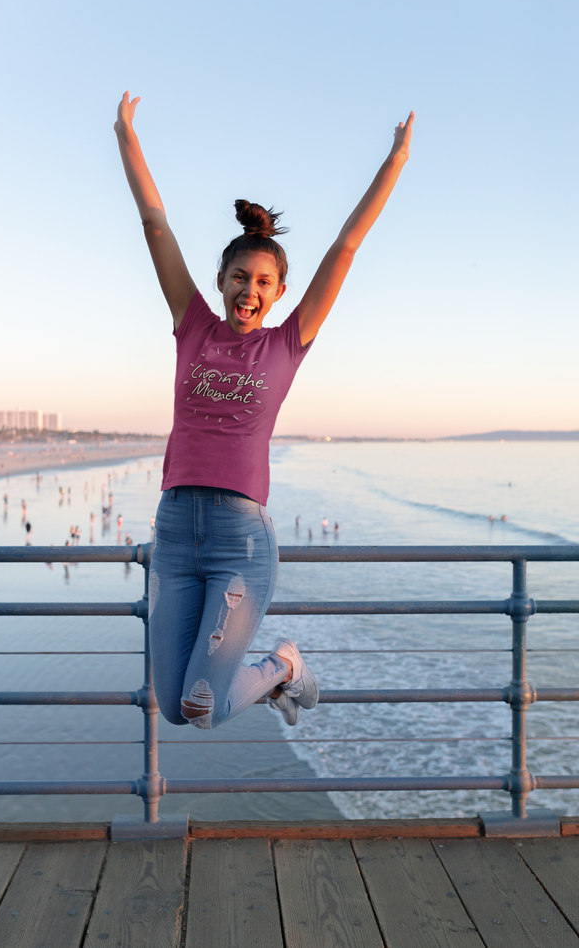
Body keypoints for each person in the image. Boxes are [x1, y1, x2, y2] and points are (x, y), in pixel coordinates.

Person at [115, 91, 413, 729]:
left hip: (239, 540)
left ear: (277, 294)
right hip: (173, 531)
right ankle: (277, 676)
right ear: (220, 280)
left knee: (203, 707)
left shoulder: (286, 344)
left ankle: (284, 667)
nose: (249, 290)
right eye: (239, 277)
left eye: (263, 282)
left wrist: (395, 161)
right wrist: (125, 136)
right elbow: (156, 226)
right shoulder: (192, 325)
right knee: (173, 706)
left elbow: (346, 247)